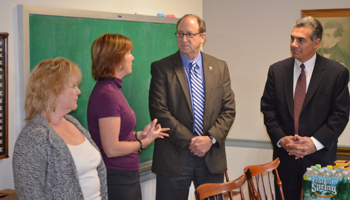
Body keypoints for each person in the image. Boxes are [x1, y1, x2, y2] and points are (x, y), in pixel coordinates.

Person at [261, 16, 350, 200]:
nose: (294, 44)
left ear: (316, 43)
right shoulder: (277, 71)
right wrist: (281, 140)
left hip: (321, 162)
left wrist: (313, 143)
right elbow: (268, 110)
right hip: (285, 159)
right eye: (292, 38)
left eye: (301, 40)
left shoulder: (336, 72)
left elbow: (340, 115)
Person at [149, 14, 236, 200]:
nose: (184, 39)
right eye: (180, 34)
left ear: (203, 37)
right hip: (174, 155)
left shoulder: (219, 67)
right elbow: (159, 111)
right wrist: (193, 141)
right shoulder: (162, 68)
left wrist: (209, 139)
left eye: (190, 34)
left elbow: (228, 110)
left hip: (211, 157)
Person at [87, 33, 169, 200]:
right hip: (117, 178)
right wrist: (144, 142)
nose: (132, 57)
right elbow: (111, 149)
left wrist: (140, 135)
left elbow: (118, 136)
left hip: (124, 175)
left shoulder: (113, 89)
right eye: (128, 53)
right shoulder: (107, 94)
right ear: (117, 59)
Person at [13, 57, 107, 200]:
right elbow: (30, 194)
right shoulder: (33, 137)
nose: (79, 91)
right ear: (54, 89)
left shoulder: (73, 122)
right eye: (73, 86)